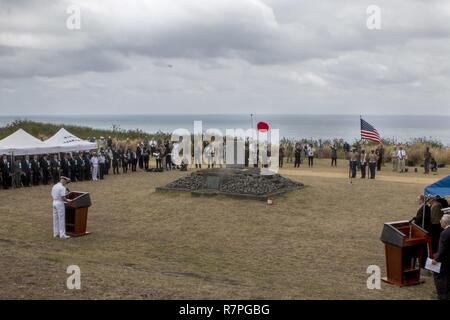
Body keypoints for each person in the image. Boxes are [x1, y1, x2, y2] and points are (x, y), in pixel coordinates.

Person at [431, 214, 450, 300]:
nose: (440, 222)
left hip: (443, 260)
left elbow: (442, 249)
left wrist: (436, 259)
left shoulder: (444, 233)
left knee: (439, 278)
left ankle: (442, 296)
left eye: (441, 221)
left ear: (445, 223)